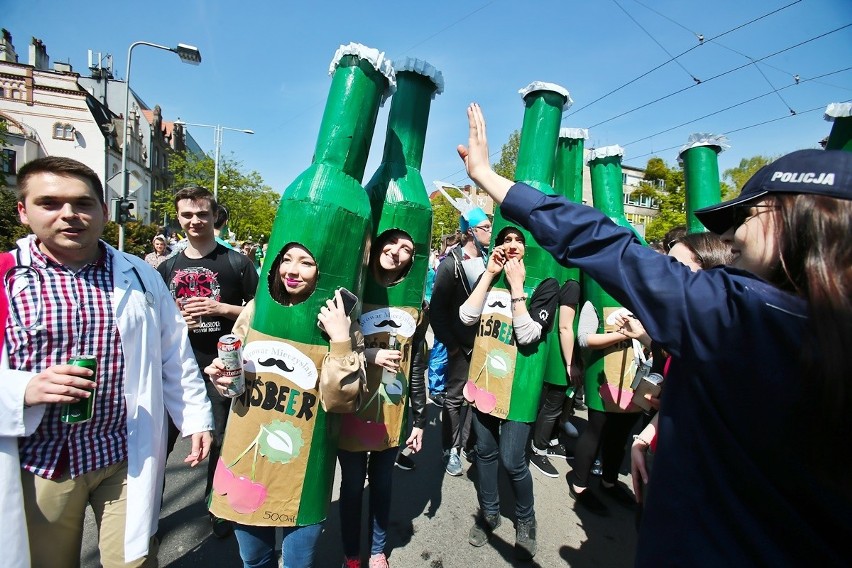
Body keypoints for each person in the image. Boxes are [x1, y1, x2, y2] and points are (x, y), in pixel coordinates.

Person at [458, 103, 852, 565]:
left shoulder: (735, 314)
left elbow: (602, 243)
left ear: (797, 219)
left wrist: (488, 177)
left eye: (747, 214)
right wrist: (657, 436)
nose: (734, 235)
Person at [2, 156, 213, 567]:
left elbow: (174, 351)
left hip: (122, 452)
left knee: (133, 560)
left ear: (102, 209)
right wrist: (21, 389)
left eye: (83, 203)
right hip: (43, 460)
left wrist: (195, 418)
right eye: (50, 203)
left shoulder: (138, 275)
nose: (69, 215)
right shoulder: (6, 277)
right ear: (23, 212)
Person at [206, 242, 365, 568]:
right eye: (286, 259)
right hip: (247, 460)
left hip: (304, 470)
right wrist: (221, 379)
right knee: (254, 560)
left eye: (306, 262)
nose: (292, 270)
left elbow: (341, 400)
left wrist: (340, 339)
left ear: (323, 269)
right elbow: (232, 376)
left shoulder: (346, 325)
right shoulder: (256, 309)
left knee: (298, 564)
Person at [158, 186, 258, 539]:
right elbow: (156, 317)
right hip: (177, 369)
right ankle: (148, 510)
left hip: (223, 367)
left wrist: (221, 309)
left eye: (202, 213)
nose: (195, 221)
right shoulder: (167, 266)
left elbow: (261, 310)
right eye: (187, 214)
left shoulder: (236, 262)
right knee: (162, 441)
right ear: (178, 218)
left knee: (220, 439)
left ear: (215, 215)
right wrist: (174, 321)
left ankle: (217, 505)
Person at [460, 225, 559, 561]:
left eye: (520, 240)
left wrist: (517, 287)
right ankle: (489, 512)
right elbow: (466, 316)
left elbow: (529, 334)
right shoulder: (490, 277)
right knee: (485, 452)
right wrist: (489, 276)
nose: (512, 245)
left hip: (519, 389)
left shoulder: (546, 284)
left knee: (513, 459)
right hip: (485, 382)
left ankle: (525, 520)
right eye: (506, 240)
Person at [337, 229, 428, 568]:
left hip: (393, 408)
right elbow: (330, 350)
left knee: (383, 483)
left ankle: (377, 549)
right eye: (391, 242)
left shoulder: (417, 302)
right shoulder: (350, 290)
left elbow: (417, 364)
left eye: (407, 248)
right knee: (350, 486)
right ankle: (351, 553)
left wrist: (419, 418)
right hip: (354, 403)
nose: (397, 252)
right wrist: (369, 355)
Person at [430, 208, 490, 476]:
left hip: (483, 344)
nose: (491, 232)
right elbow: (437, 312)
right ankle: (450, 449)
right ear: (470, 232)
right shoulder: (450, 264)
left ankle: (468, 444)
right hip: (460, 345)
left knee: (475, 399)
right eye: (486, 227)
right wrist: (452, 345)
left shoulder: (490, 261)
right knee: (454, 398)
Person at [529, 278, 580, 478]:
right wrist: (570, 363)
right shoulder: (573, 284)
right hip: (560, 355)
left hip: (563, 352)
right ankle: (538, 449)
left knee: (559, 403)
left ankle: (551, 441)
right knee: (553, 403)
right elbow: (564, 327)